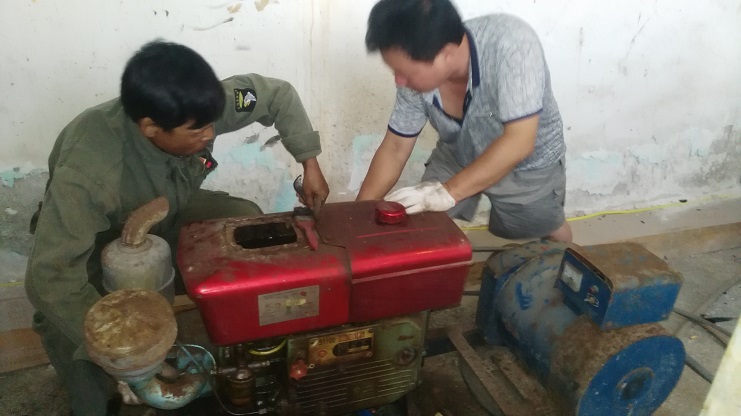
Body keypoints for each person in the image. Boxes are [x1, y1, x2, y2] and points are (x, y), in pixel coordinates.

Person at [25, 40, 329, 416]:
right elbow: (50, 277)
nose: (209, 135)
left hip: (165, 213)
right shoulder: (89, 171)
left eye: (212, 123)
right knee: (76, 338)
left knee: (242, 218)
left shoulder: (198, 107)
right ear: (150, 128)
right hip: (95, 251)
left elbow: (277, 94)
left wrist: (310, 164)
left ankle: (236, 345)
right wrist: (126, 355)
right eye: (197, 132)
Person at [357, 0, 572, 242]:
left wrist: (448, 192)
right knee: (424, 225)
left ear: (446, 54)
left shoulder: (513, 44)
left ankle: (569, 256)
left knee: (545, 229)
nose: (399, 81)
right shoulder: (413, 78)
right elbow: (396, 148)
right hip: (458, 153)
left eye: (406, 73)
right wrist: (355, 216)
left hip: (526, 164)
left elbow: (519, 142)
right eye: (395, 71)